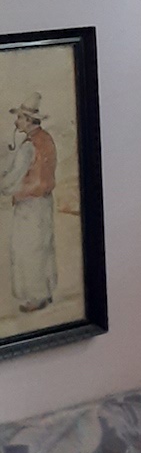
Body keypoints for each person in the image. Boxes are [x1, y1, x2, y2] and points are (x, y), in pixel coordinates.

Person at [0, 98, 57, 314]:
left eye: (20, 118)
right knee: (43, 245)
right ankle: (46, 291)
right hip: (44, 200)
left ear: (29, 120)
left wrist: (4, 187)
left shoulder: (28, 147)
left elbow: (14, 177)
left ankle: (35, 297)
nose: (17, 122)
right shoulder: (46, 139)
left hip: (29, 203)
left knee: (27, 249)